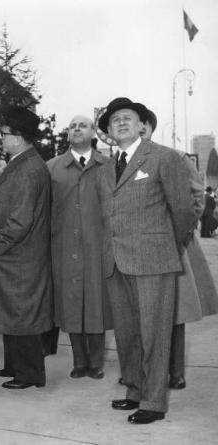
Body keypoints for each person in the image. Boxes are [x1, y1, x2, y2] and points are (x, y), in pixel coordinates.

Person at [96, 97, 196, 424]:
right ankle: (135, 390)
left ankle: (154, 402)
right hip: (116, 262)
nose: (122, 122)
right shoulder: (106, 169)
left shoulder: (164, 158)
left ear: (142, 124)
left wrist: (168, 245)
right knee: (127, 333)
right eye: (115, 120)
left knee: (154, 333)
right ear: (109, 131)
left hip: (153, 260)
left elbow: (182, 210)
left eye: (129, 117)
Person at [136, 107, 218, 390]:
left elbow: (197, 197)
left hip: (173, 243)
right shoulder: (125, 162)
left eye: (144, 125)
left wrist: (178, 233)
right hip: (136, 246)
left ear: (149, 128)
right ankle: (143, 371)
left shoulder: (174, 157)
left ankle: (175, 371)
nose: (140, 129)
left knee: (174, 311)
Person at [0, 106, 53, 390]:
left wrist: (0, 243)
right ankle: (14, 365)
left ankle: (29, 374)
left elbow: (20, 219)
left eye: (5, 134)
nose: (1, 138)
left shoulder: (27, 168)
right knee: (13, 313)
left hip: (18, 255)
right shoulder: (25, 162)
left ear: (20, 137)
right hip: (18, 255)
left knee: (22, 315)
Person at [46, 115, 111, 380]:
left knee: (96, 304)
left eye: (82, 125)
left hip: (97, 248)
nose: (76, 129)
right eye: (72, 126)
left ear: (93, 132)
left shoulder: (107, 166)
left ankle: (96, 362)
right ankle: (79, 361)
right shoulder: (52, 167)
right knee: (71, 304)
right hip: (64, 248)